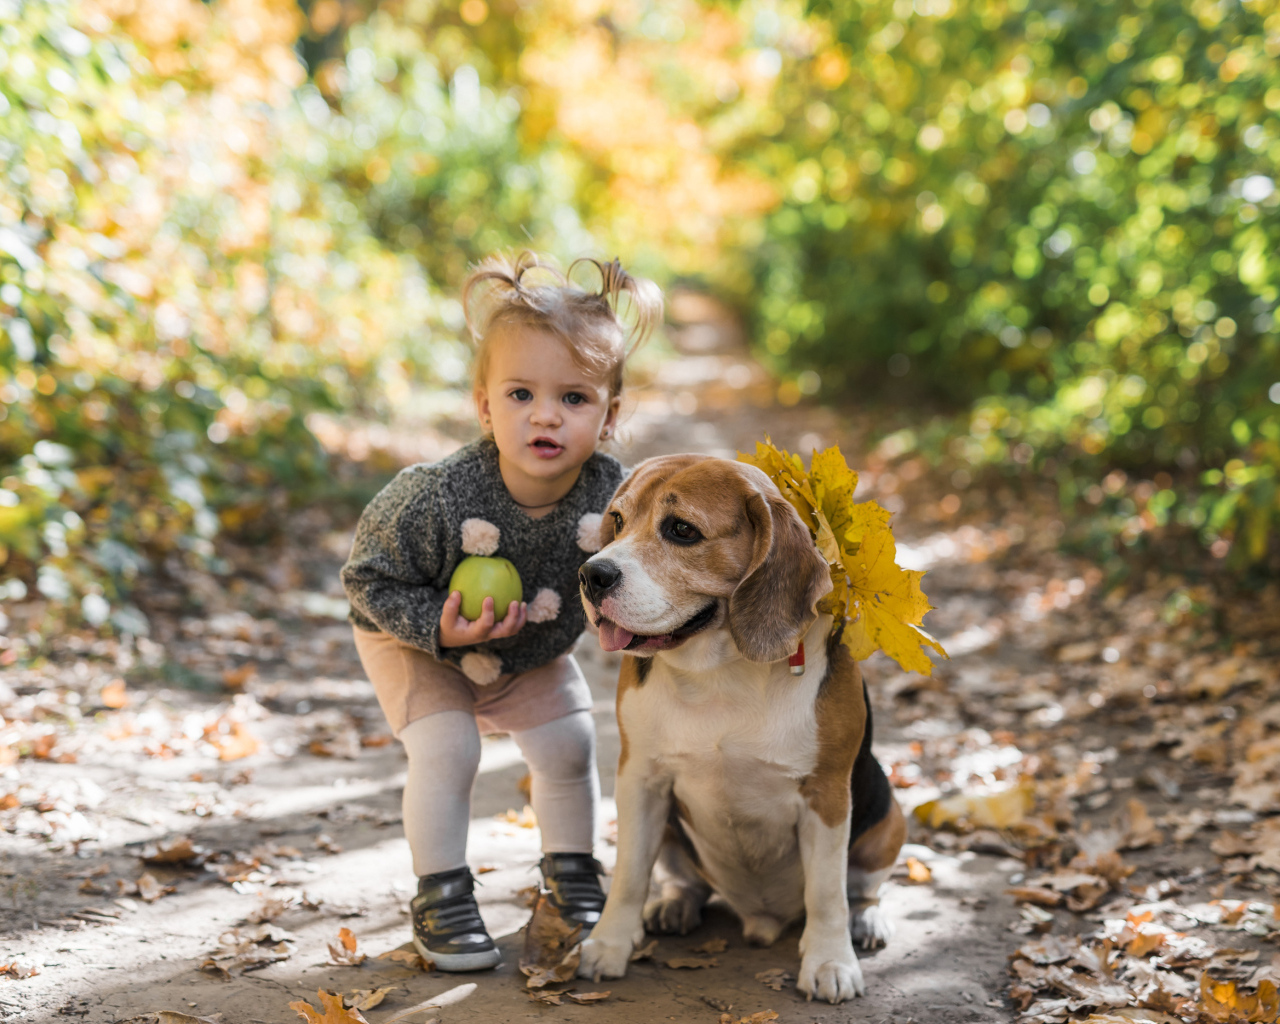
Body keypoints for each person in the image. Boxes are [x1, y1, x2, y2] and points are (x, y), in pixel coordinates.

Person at [341, 252, 662, 971]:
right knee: (449, 747)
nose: (546, 414)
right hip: (414, 636)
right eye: (521, 394)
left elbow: (640, 569)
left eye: (574, 399)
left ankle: (572, 874)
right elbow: (365, 579)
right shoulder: (438, 496)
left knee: (569, 745)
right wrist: (437, 628)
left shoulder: (615, 495)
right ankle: (442, 892)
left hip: (527, 647)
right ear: (486, 406)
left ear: (609, 416)